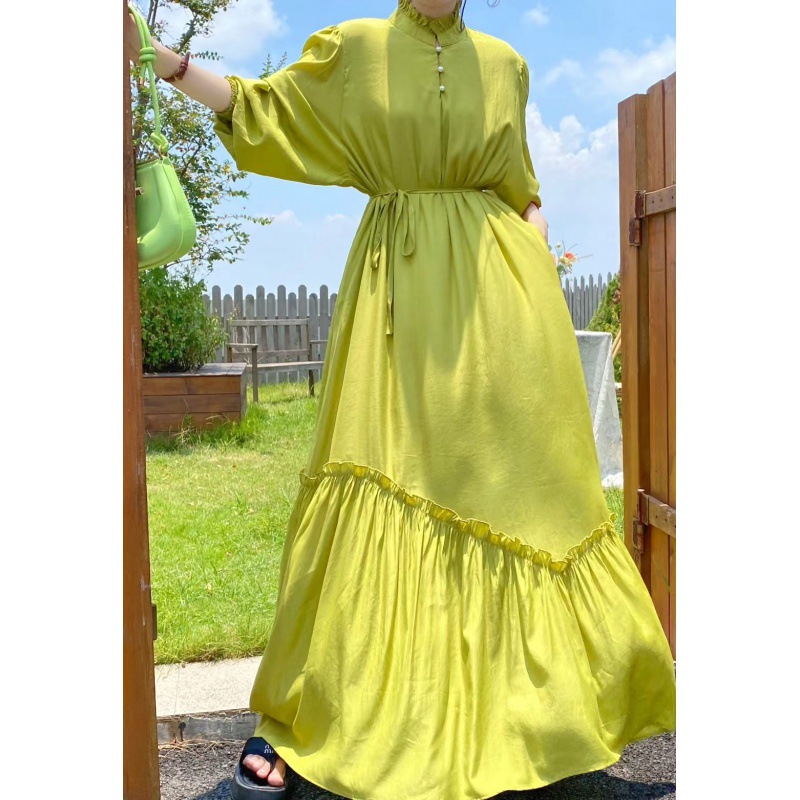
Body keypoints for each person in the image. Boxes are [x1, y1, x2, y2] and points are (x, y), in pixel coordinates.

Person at [126, 2, 676, 798]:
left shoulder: (507, 65)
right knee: (385, 490)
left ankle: (540, 734)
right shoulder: (357, 49)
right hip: (399, 311)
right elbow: (264, 109)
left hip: (507, 313)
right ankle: (332, 724)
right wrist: (164, 61)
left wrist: (538, 271)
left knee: (522, 504)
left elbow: (522, 190)